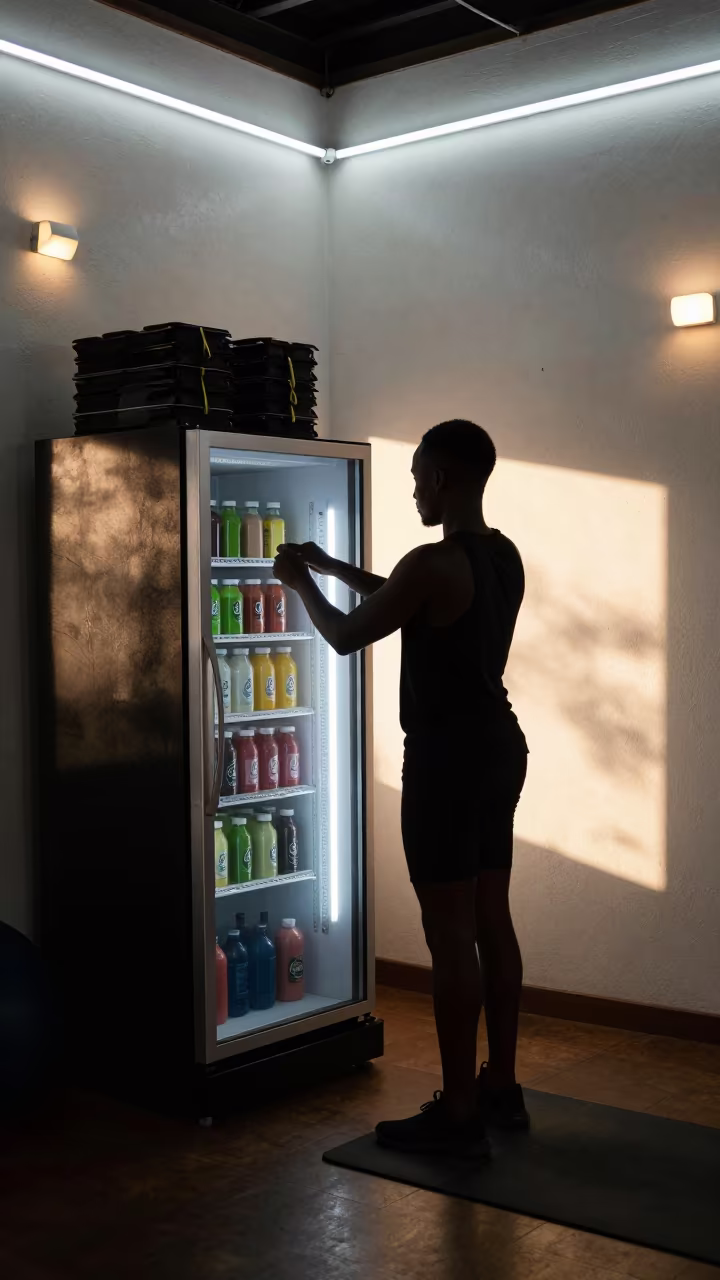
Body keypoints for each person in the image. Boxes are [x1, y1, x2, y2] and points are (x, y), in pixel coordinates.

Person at [273, 419, 528, 1158]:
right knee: (490, 919)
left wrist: (300, 586)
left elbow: (351, 635)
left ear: (443, 478)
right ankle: (500, 1087)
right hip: (499, 748)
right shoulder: (499, 555)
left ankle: (456, 1113)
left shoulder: (431, 559)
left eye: (419, 474)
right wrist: (330, 563)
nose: (414, 485)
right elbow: (410, 601)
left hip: (447, 761)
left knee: (448, 934)